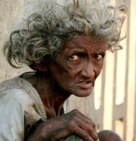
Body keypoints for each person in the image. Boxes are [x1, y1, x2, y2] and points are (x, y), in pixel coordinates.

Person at [0, 0, 126, 140]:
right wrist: (42, 133)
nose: (89, 73)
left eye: (97, 56)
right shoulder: (15, 101)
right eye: (75, 57)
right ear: (42, 60)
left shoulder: (56, 99)